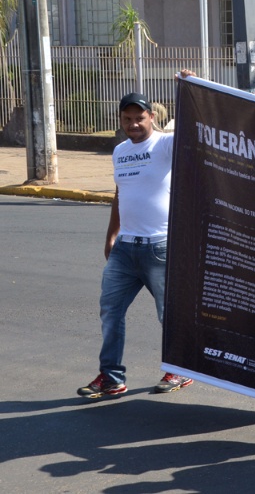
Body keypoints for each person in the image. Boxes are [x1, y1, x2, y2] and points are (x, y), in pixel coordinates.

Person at [77, 89, 193, 399]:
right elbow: (120, 195)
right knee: (110, 311)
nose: (134, 124)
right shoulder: (120, 151)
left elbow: (195, 126)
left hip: (160, 246)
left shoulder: (166, 144)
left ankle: (178, 369)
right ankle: (112, 376)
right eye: (127, 119)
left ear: (152, 117)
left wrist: (190, 89)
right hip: (125, 249)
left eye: (139, 118)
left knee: (168, 314)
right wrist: (111, 235)